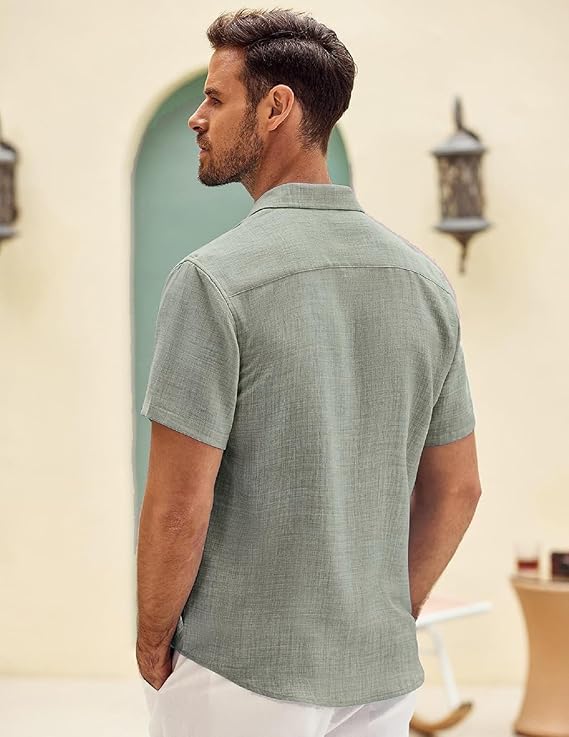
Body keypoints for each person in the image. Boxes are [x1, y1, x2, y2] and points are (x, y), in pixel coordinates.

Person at [135, 7, 482, 737]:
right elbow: (458, 487)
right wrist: (389, 614)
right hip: (378, 679)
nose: (197, 118)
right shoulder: (424, 281)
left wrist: (152, 639)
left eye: (215, 98)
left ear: (276, 109)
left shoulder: (212, 280)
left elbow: (177, 505)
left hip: (238, 672)